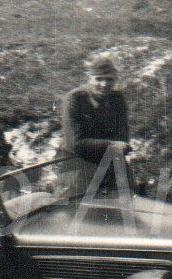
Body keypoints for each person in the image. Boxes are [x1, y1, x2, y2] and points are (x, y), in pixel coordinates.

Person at [56, 56, 132, 197]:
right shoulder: (75, 100)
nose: (104, 84)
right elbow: (75, 144)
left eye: (109, 79)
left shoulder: (118, 99)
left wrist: (117, 146)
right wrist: (113, 144)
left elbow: (124, 137)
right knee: (73, 213)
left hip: (110, 165)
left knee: (129, 207)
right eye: (99, 79)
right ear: (89, 78)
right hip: (77, 166)